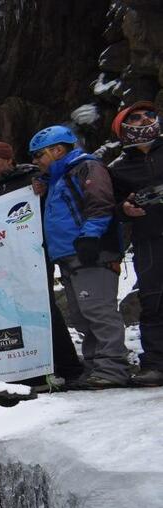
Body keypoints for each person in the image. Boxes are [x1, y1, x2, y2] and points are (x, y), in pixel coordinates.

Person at [0, 140, 83, 386]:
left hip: (33, 254)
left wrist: (43, 189)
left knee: (43, 307)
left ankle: (69, 367)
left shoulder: (34, 179)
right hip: (4, 261)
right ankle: (30, 369)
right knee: (12, 312)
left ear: (8, 160)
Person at [31, 124, 129, 388]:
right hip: (69, 256)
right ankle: (96, 365)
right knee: (82, 315)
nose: (36, 162)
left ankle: (113, 368)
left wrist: (90, 236)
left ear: (58, 149)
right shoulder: (58, 178)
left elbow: (100, 203)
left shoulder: (87, 167)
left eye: (39, 155)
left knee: (98, 310)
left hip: (91, 251)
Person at [110, 101, 163, 385]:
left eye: (150, 115)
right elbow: (109, 207)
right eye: (137, 117)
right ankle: (156, 363)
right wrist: (124, 210)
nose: (145, 119)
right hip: (149, 238)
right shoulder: (117, 168)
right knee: (153, 299)